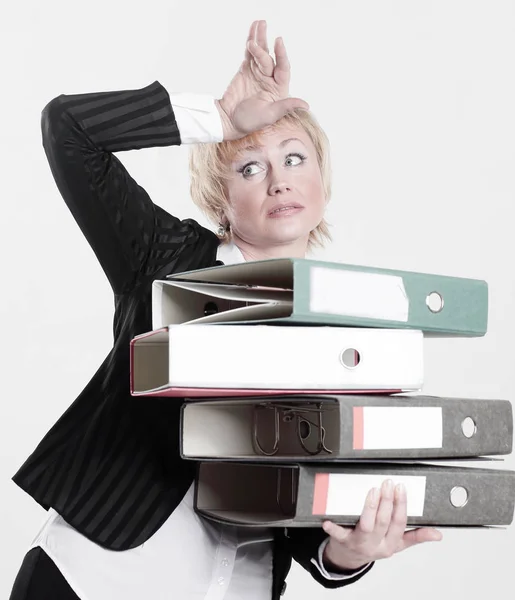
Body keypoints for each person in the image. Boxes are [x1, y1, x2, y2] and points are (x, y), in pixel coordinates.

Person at [9, 19, 442, 600]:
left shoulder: (350, 339)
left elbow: (309, 509)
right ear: (220, 195)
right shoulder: (163, 258)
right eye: (249, 166)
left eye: (294, 158)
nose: (278, 181)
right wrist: (216, 117)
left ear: (322, 182)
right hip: (97, 576)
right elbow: (67, 128)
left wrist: (348, 551)